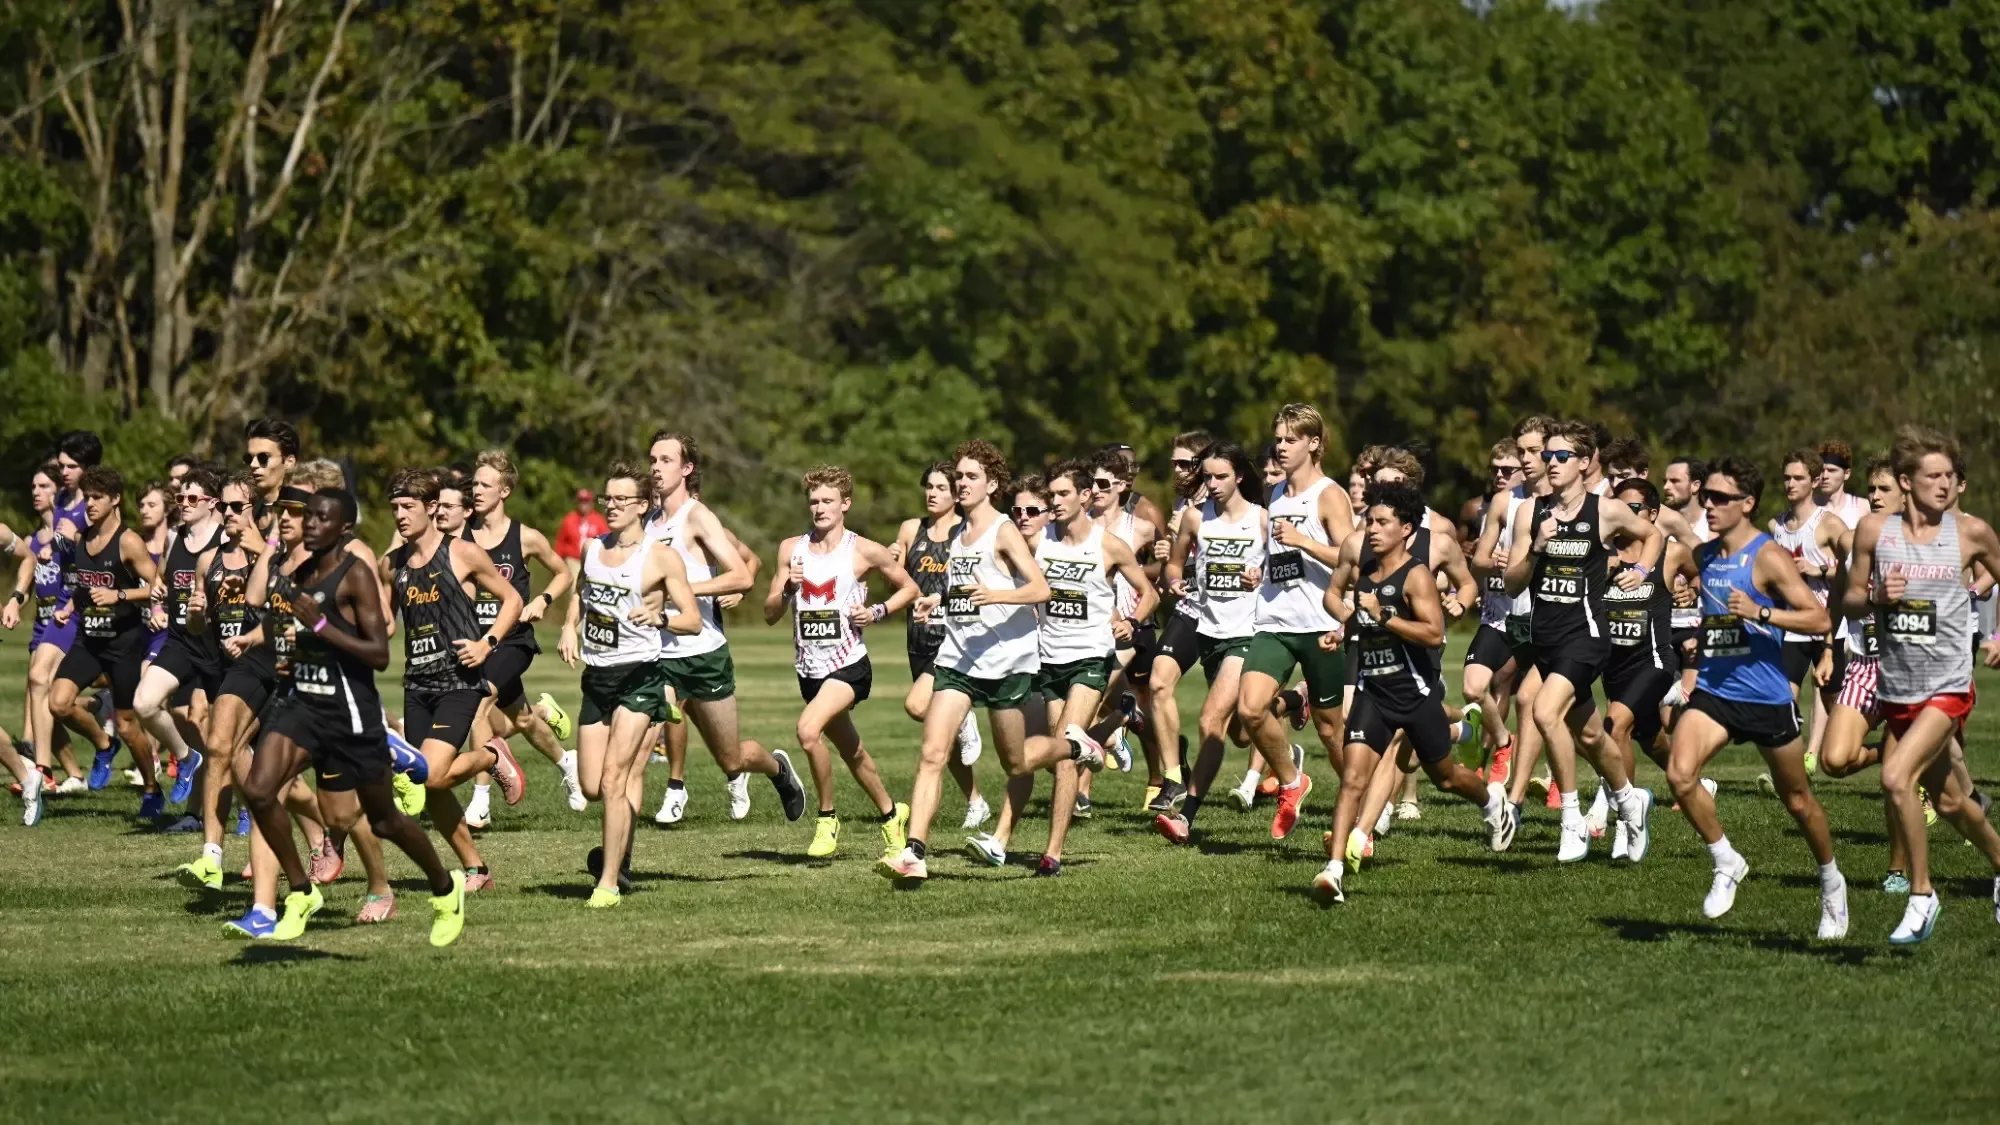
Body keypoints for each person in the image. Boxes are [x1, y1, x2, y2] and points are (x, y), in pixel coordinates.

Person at [234, 489, 468, 945]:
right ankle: (301, 893)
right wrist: (283, 652)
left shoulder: (354, 574)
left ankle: (445, 889)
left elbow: (378, 655)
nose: (313, 524)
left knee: (382, 821)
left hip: (349, 711)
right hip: (301, 703)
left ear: (343, 529)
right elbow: (289, 633)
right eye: (310, 517)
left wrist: (322, 626)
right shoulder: (296, 573)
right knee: (260, 791)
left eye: (324, 518)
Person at [882, 441, 1094, 883]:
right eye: (958, 476)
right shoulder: (958, 534)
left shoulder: (1003, 530)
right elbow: (966, 590)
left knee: (1015, 763)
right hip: (958, 656)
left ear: (992, 485)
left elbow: (1040, 589)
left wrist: (997, 595)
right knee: (932, 753)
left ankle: (1076, 747)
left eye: (970, 477)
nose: (961, 483)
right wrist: (934, 602)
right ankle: (914, 853)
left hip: (1005, 663)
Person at [1665, 456, 1845, 938]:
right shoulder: (1704, 555)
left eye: (1721, 498)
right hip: (1716, 690)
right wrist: (1680, 597)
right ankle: (1726, 860)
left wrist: (1764, 615)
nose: (1711, 504)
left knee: (1798, 801)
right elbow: (1677, 570)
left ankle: (1831, 883)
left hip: (1765, 696)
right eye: (1709, 497)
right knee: (1680, 776)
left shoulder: (1768, 557)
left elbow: (1819, 619)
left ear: (1747, 504)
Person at [1312, 482, 1517, 902]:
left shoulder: (1417, 575)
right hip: (1373, 691)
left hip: (1416, 695)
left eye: (1383, 522)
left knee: (1446, 778)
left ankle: (1493, 805)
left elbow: (1432, 632)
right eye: (1370, 520)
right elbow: (1359, 615)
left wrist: (1383, 616)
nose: (1372, 529)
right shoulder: (1364, 568)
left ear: (1406, 528)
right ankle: (1332, 872)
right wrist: (1342, 631)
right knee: (1352, 778)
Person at [1842, 428, 2000, 943]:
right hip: (1898, 688)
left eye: (1950, 475)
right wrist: (1877, 598)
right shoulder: (1873, 531)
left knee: (1894, 779)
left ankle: (1921, 894)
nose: (1945, 483)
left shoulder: (1972, 533)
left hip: (1949, 685)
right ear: (1906, 482)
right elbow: (1847, 604)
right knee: (1954, 804)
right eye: (1933, 475)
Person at [1500, 421, 1663, 861]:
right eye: (1546, 456)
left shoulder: (1605, 511)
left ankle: (1570, 817)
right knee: (1591, 736)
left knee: (1543, 710)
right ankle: (1631, 800)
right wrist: (1535, 548)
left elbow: (1654, 534)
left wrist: (1643, 572)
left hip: (1588, 634)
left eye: (1561, 457)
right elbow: (1512, 584)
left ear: (1585, 462)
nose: (1550, 464)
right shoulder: (1528, 513)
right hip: (1546, 640)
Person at [644, 432, 807, 824]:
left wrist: (684, 590)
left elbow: (741, 575)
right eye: (652, 459)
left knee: (731, 756)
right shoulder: (647, 522)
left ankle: (778, 770)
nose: (655, 468)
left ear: (687, 469)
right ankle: (619, 862)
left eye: (666, 460)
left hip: (704, 655)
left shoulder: (698, 517)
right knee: (638, 746)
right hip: (660, 654)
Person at [559, 462, 701, 907]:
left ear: (643, 505)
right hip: (596, 678)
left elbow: (693, 620)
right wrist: (568, 625)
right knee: (591, 787)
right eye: (608, 498)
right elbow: (581, 590)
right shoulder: (592, 548)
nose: (613, 506)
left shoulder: (659, 557)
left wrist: (661, 618)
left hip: (641, 676)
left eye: (622, 499)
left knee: (616, 778)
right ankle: (615, 854)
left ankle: (608, 881)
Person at [762, 465, 918, 858]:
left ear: (845, 504)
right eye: (814, 501)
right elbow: (769, 613)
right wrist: (786, 589)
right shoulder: (790, 550)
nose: (819, 508)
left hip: (850, 666)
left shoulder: (863, 549)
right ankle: (890, 814)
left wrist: (878, 611)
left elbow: (909, 587)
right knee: (854, 753)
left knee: (807, 731)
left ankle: (827, 818)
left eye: (828, 501)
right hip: (809, 672)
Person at [383, 468, 524, 893]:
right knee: (431, 788)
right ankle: (477, 870)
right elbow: (386, 625)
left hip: (458, 682)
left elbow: (513, 599)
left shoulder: (462, 553)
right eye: (394, 509)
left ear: (430, 508)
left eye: (408, 507)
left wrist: (488, 644)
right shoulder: (393, 565)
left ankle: (491, 757)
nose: (400, 516)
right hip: (417, 686)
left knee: (429, 774)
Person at [1237, 403, 1357, 841]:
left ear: (1314, 444)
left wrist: (1304, 541)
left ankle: (1357, 807)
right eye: (1279, 439)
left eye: (1291, 439)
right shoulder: (1276, 495)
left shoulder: (1329, 495)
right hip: (1274, 620)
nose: (1282, 447)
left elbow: (1353, 558)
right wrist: (1261, 572)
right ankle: (1292, 781)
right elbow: (1280, 556)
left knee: (1330, 727)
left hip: (1319, 624)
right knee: (1250, 707)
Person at [1153, 442, 1266, 845]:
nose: (1212, 484)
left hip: (1247, 632)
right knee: (1239, 733)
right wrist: (1173, 580)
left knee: (1208, 721)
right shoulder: (1195, 518)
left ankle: (1186, 816)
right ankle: (1287, 708)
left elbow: (1289, 573)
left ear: (1239, 477)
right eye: (1207, 477)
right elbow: (1174, 564)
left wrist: (1261, 577)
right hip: (1207, 630)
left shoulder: (1262, 521)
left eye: (1221, 476)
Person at [468, 450, 583, 813]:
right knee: (522, 719)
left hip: (513, 641)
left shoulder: (525, 537)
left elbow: (564, 572)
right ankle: (568, 764)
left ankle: (481, 800)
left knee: (476, 704)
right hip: (477, 642)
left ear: (504, 491)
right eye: (474, 483)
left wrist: (544, 600)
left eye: (486, 484)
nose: (477, 490)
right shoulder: (461, 535)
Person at [48, 468, 162, 818]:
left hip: (123, 645)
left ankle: (151, 789)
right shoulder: (83, 538)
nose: (90, 504)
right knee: (58, 703)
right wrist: (68, 607)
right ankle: (103, 743)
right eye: (87, 498)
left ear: (115, 500)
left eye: (97, 497)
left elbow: (158, 587)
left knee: (129, 725)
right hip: (88, 641)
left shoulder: (128, 541)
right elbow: (85, 585)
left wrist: (119, 594)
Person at [1596, 478, 1697, 859]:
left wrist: (1691, 590)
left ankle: (1627, 819)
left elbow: (1700, 571)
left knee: (1615, 725)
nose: (1626, 515)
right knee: (1648, 737)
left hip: (1655, 660)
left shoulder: (1670, 554)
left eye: (1634, 508)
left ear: (1653, 514)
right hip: (1614, 665)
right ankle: (1693, 781)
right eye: (1619, 507)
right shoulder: (1603, 555)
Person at [889, 462, 989, 830]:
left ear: (955, 494)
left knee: (918, 705)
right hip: (918, 638)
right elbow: (898, 577)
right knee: (938, 734)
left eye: (941, 487)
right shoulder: (910, 529)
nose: (932, 493)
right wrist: (891, 560)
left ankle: (967, 718)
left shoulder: (967, 531)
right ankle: (975, 801)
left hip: (953, 637)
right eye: (928, 486)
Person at [133, 467, 227, 823]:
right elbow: (160, 577)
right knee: (144, 704)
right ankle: (186, 758)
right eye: (181, 498)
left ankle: (246, 809)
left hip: (217, 648)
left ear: (212, 503)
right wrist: (158, 600)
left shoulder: (224, 539)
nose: (184, 504)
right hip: (179, 642)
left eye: (192, 499)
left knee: (227, 736)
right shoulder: (174, 538)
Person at [4, 461, 98, 795]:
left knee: (44, 690)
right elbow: (27, 582)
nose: (36, 492)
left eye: (43, 486)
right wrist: (16, 601)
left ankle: (40, 766)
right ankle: (73, 772)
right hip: (40, 627)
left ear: (58, 490)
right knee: (44, 697)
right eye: (33, 487)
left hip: (64, 622)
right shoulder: (33, 540)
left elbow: (81, 572)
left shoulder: (68, 533)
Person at [1768, 448, 1843, 779]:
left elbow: (1857, 573)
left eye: (1798, 477)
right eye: (1786, 477)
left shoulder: (1828, 524)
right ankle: (1787, 772)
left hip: (1828, 628)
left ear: (1815, 481)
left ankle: (1886, 752)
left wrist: (1820, 569)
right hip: (1793, 628)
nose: (1790, 483)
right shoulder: (1778, 526)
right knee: (1782, 702)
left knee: (1838, 715)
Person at [1463, 441, 1526, 784]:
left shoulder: (1541, 505)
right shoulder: (1481, 508)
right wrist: (1474, 583)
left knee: (1531, 699)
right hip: (1495, 615)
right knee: (1474, 689)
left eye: (1508, 469)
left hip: (1532, 618)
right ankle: (1503, 742)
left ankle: (1561, 785)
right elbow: (1474, 561)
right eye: (1495, 469)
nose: (1499, 476)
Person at [554, 487, 609, 578]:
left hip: (593, 561)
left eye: (586, 501)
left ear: (592, 502)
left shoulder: (599, 521)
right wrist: (556, 564)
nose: (583, 504)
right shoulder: (569, 519)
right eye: (581, 501)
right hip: (574, 560)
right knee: (576, 585)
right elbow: (560, 543)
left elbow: (607, 541)